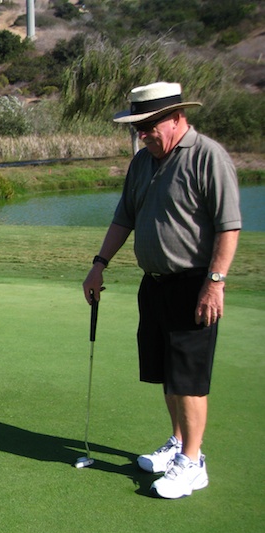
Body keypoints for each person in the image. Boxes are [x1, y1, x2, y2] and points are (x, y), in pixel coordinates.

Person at [83, 81, 241, 498]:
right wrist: (99, 265)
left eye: (149, 124)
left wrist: (215, 283)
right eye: (138, 126)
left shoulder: (208, 157)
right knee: (167, 374)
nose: (142, 134)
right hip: (153, 284)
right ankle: (177, 445)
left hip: (194, 285)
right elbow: (124, 218)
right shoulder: (141, 164)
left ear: (176, 117)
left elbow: (229, 226)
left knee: (188, 379)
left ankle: (192, 462)